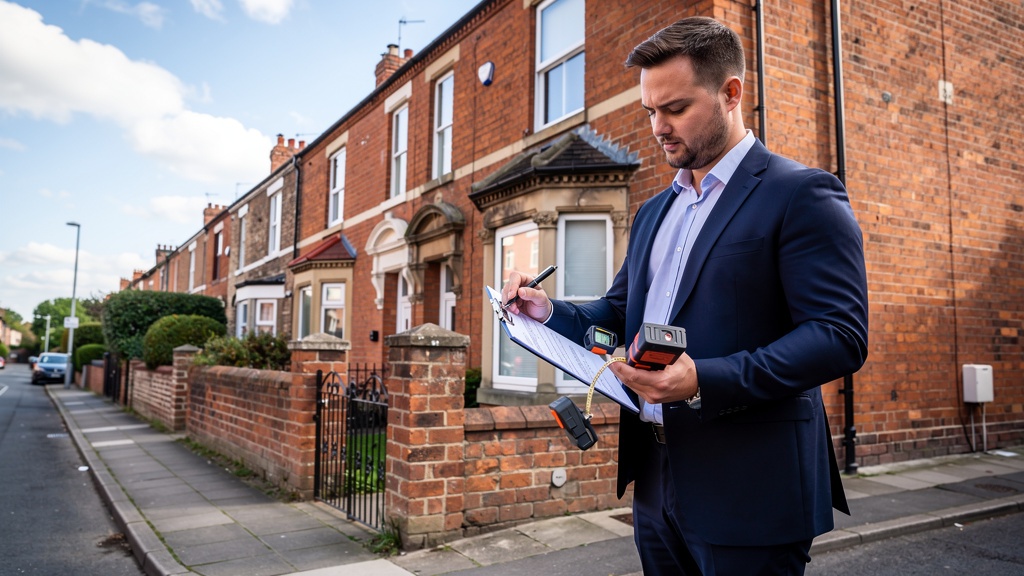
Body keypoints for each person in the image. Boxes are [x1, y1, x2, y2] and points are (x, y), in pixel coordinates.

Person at [503, 16, 868, 575]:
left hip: (753, 487)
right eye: (650, 111)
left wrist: (704, 379)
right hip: (655, 484)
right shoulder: (654, 211)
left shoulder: (802, 193)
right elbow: (620, 314)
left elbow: (838, 337)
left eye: (674, 109)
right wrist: (547, 311)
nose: (658, 127)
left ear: (730, 93)